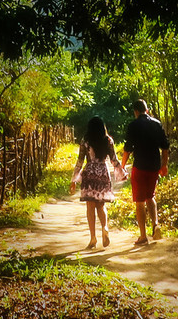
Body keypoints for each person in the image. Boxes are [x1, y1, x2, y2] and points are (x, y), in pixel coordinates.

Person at [119, 99, 169, 246]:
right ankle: (155, 224)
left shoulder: (133, 125)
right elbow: (165, 147)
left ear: (136, 112)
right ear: (146, 110)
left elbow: (127, 149)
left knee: (139, 201)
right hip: (154, 166)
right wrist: (164, 165)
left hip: (139, 167)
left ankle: (143, 236)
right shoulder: (157, 124)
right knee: (151, 196)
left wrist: (122, 166)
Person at [69, 116, 124, 249]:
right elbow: (114, 159)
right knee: (101, 205)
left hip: (90, 173)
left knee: (90, 206)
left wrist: (74, 179)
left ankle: (93, 238)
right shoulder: (108, 140)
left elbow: (80, 161)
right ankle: (105, 228)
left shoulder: (85, 141)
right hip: (103, 173)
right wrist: (122, 172)